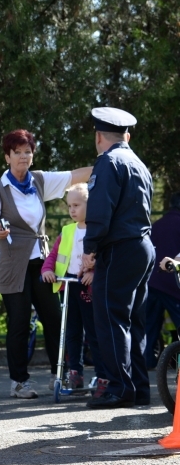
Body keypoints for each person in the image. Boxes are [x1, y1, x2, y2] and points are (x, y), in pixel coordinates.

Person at [0, 129, 92, 399]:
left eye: (27, 151)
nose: (23, 157)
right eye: (17, 152)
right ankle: (19, 382)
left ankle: (62, 374)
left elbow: (76, 176)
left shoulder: (39, 180)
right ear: (7, 156)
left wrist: (111, 160)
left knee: (54, 318)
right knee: (19, 323)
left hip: (41, 263)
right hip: (12, 265)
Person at [82, 107, 154, 409]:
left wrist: (90, 250)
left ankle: (118, 387)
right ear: (127, 135)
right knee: (134, 320)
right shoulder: (139, 163)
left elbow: (99, 212)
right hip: (143, 246)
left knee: (110, 319)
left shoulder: (108, 162)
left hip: (120, 248)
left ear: (99, 136)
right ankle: (138, 387)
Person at [41, 183, 106, 394]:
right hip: (69, 285)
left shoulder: (97, 230)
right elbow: (53, 255)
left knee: (94, 331)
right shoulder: (67, 231)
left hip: (87, 287)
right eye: (70, 205)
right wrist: (47, 270)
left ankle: (103, 374)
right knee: (71, 331)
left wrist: (93, 272)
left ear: (91, 204)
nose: (72, 210)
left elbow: (104, 256)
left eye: (77, 205)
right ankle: (74, 372)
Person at [143, 193, 180, 368]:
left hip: (152, 280)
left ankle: (147, 361)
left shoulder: (156, 225)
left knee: (150, 325)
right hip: (173, 282)